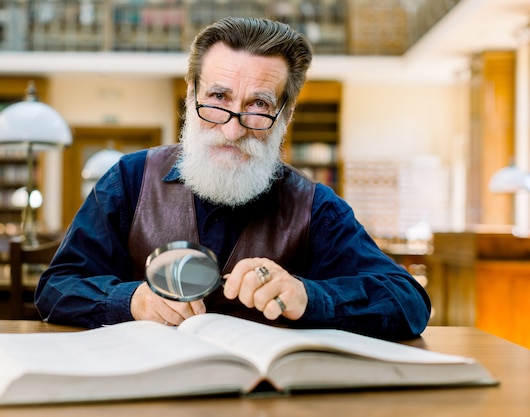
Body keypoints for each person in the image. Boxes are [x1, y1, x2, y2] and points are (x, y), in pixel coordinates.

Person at [35, 17, 431, 340]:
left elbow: (409, 302)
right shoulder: (128, 179)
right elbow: (56, 287)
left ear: (285, 116)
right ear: (191, 97)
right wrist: (131, 300)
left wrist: (309, 295)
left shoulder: (315, 206)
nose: (231, 130)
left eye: (258, 105)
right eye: (218, 99)